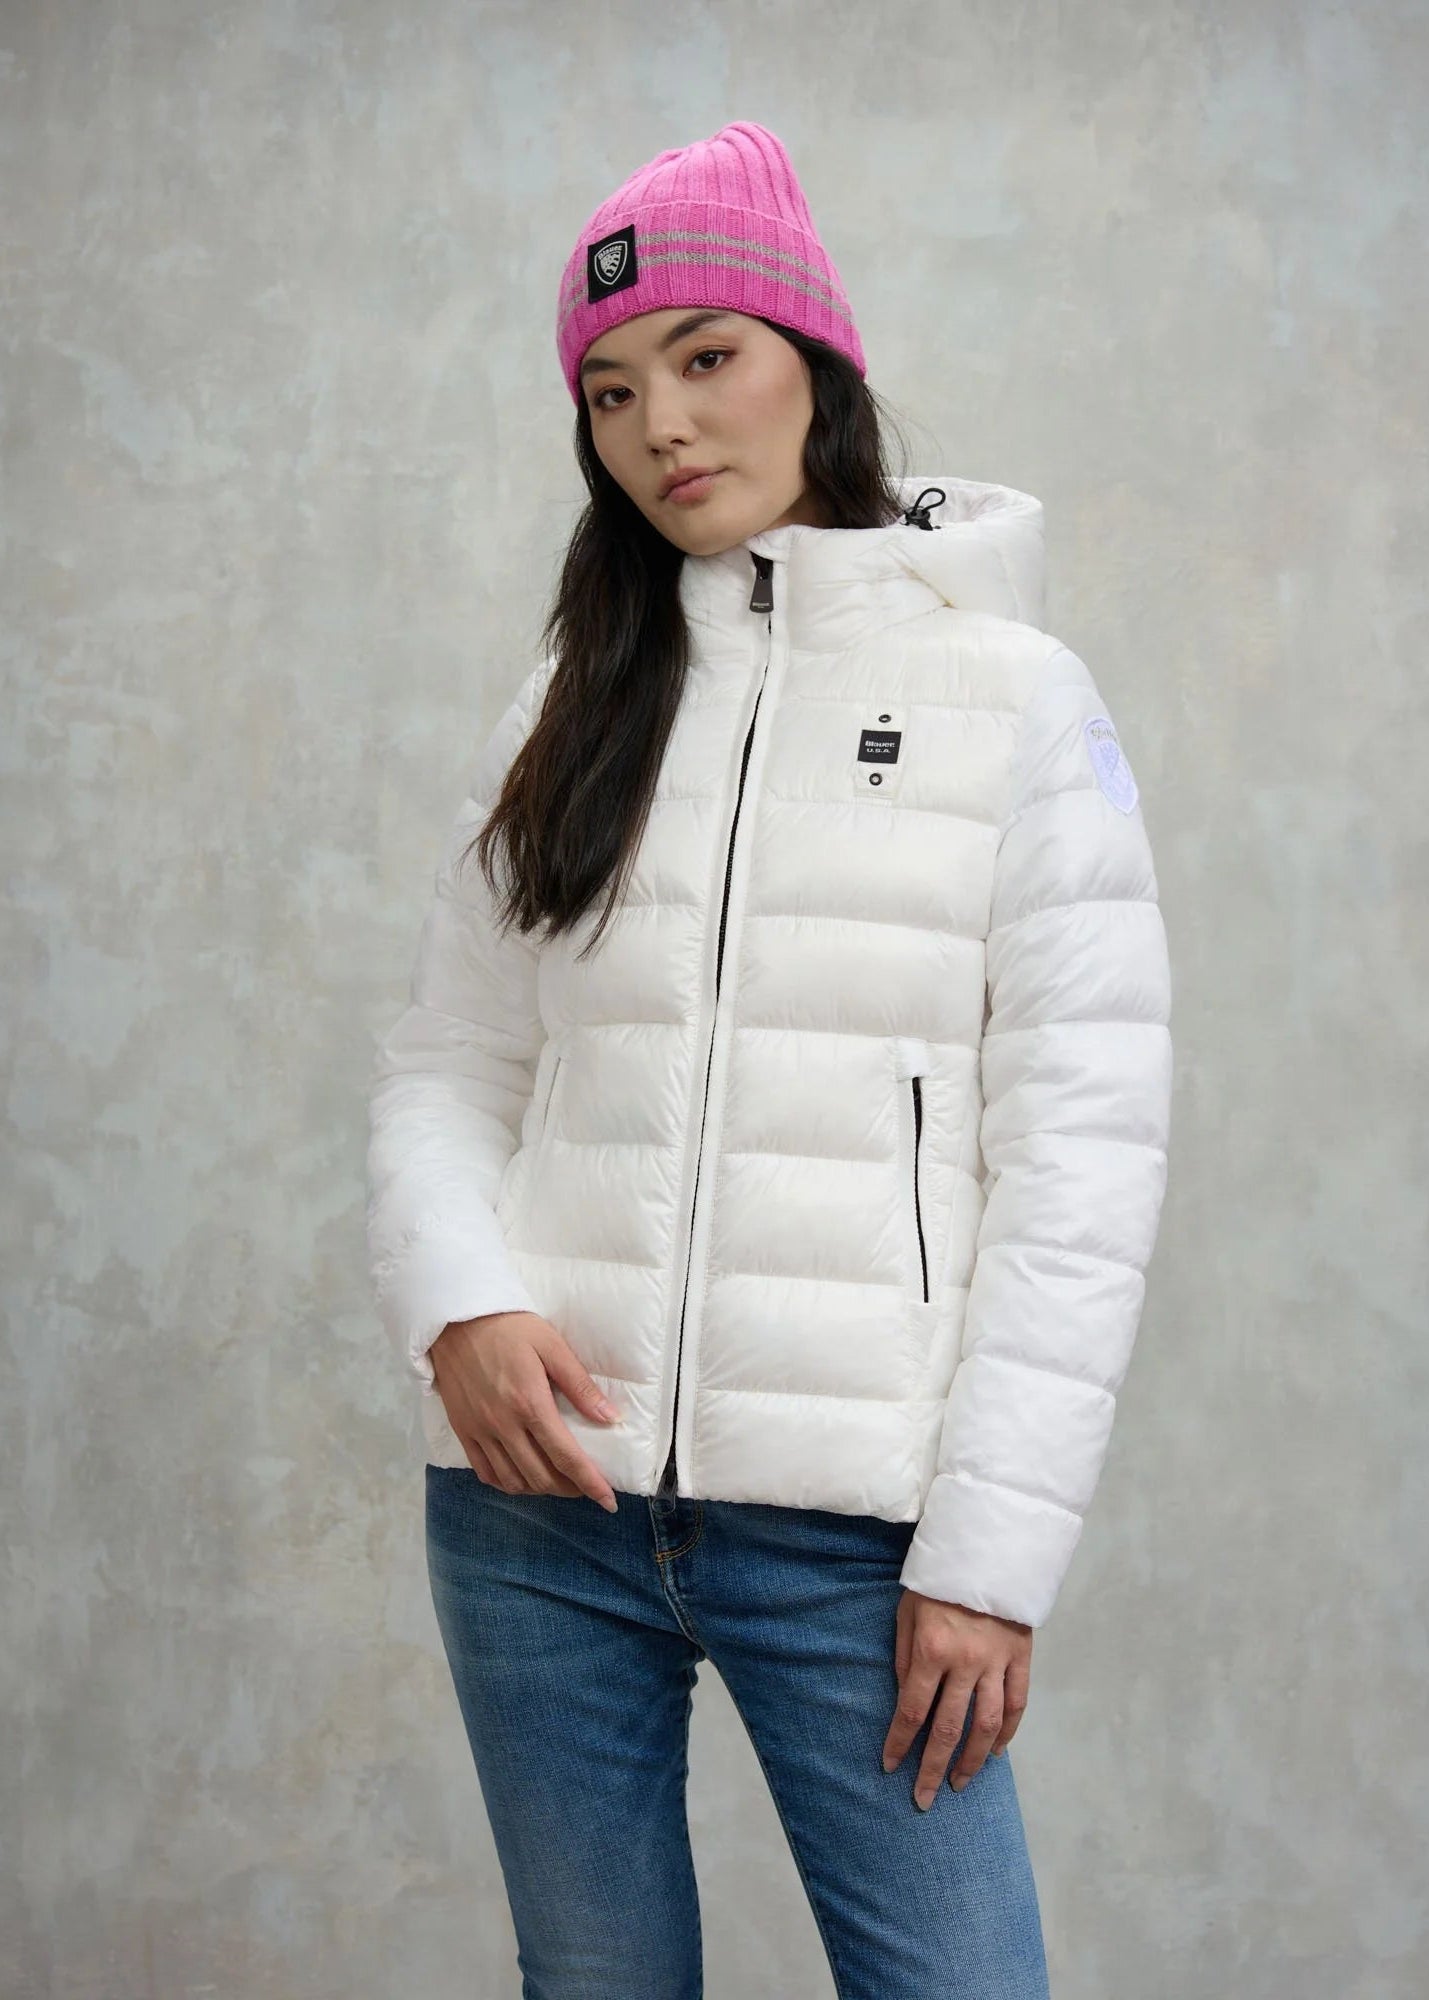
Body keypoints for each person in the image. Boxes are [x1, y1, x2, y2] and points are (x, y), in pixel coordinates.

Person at [367, 119, 1172, 2000]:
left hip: (857, 1536)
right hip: (539, 1508)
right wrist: (457, 1303)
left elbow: (1084, 1156)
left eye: (706, 357)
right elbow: (447, 1061)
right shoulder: (571, 704)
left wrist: (985, 1558)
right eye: (609, 392)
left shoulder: (1015, 700)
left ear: (816, 358)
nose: (660, 426)